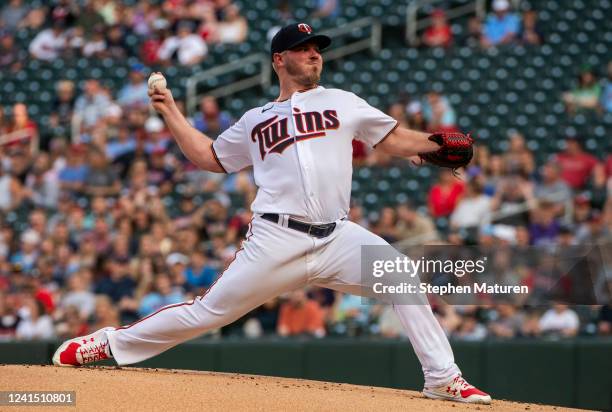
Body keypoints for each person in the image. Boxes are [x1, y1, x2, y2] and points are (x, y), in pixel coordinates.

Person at [53, 23, 490, 405]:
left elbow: (393, 140)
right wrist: (170, 110)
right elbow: (209, 157)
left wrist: (435, 145)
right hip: (274, 240)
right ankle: (109, 343)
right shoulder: (255, 119)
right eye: (304, 48)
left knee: (399, 274)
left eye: (317, 48)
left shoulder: (342, 101)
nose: (314, 53)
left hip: (336, 237)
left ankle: (443, 378)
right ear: (279, 59)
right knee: (206, 314)